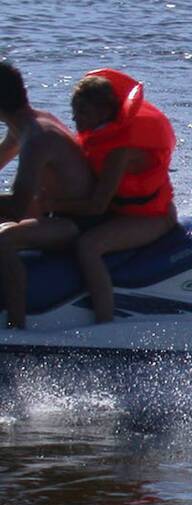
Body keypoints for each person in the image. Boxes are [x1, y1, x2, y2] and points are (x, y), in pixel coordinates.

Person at [51, 68, 177, 324]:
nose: (75, 117)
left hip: (153, 218)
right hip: (121, 214)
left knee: (88, 247)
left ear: (105, 112)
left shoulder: (120, 150)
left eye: (83, 111)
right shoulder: (99, 137)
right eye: (74, 110)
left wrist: (50, 203)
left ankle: (104, 322)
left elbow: (97, 206)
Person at [0, 61, 97, 328]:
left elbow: (17, 207)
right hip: (54, 214)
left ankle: (16, 326)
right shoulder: (26, 125)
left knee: (3, 239)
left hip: (76, 222)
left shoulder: (37, 138)